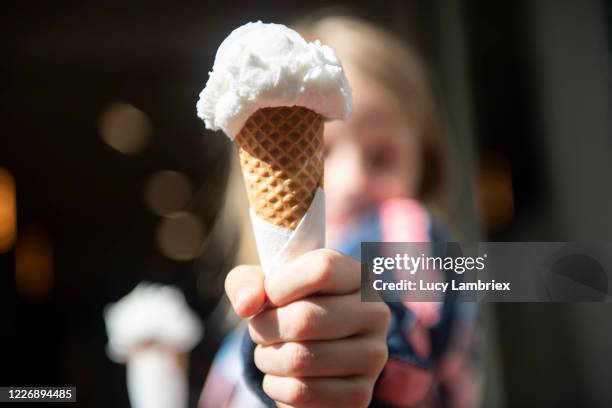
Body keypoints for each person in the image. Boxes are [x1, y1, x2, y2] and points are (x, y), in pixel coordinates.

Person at [200, 14, 480, 408]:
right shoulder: (244, 321)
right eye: (321, 152)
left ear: (425, 166)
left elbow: (410, 324)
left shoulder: (407, 234)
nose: (353, 181)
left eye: (381, 157)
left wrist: (364, 346)